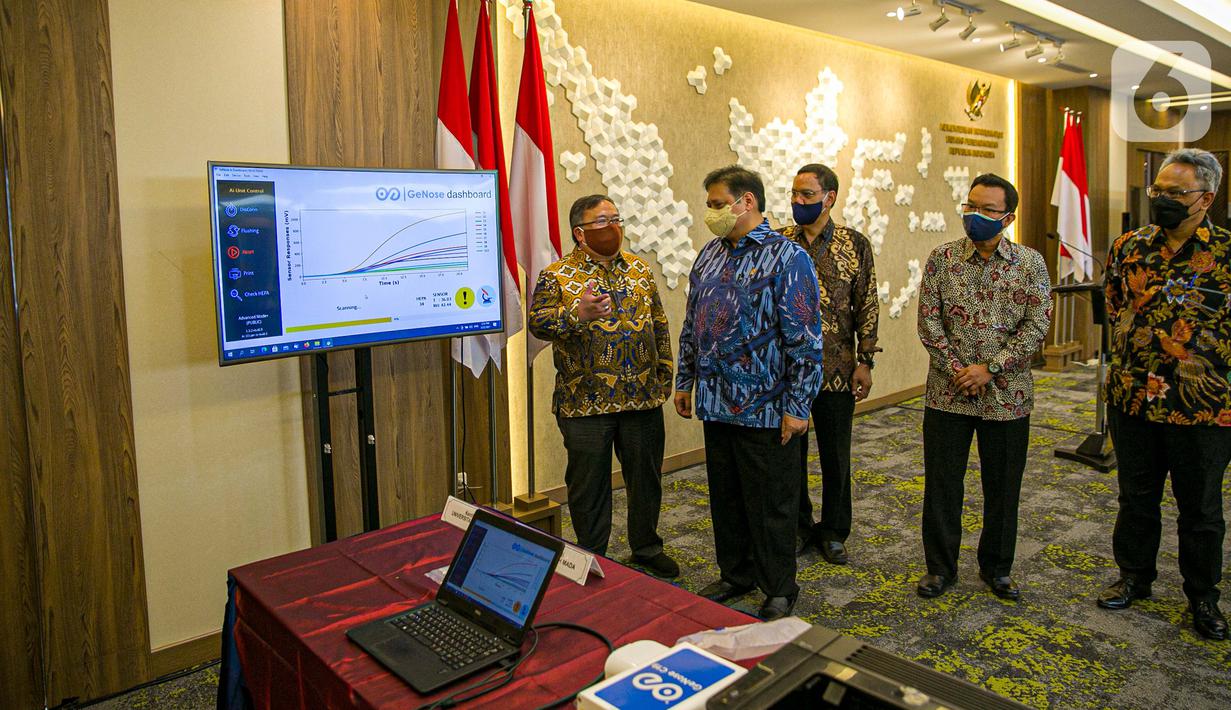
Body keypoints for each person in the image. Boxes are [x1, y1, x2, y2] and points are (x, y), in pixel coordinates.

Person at [675, 165, 824, 620]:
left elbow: (805, 338)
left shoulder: (788, 257)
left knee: (772, 504)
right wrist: (685, 379)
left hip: (767, 407)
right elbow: (692, 322)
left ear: (748, 202)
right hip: (715, 401)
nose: (711, 212)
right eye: (709, 204)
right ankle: (736, 574)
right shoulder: (709, 254)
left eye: (719, 204)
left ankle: (779, 586)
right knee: (726, 497)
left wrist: (798, 406)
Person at [1098, 148, 1231, 641]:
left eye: (1176, 193)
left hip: (1203, 408)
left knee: (1201, 509)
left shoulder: (1226, 253)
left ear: (1206, 198)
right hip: (1133, 398)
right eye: (1159, 190)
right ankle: (1135, 576)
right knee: (1136, 498)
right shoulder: (1129, 246)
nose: (1162, 199)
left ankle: (1203, 596)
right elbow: (1114, 305)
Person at [528, 194, 679, 579]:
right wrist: (576, 314)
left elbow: (659, 324)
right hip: (585, 404)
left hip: (642, 399)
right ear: (580, 233)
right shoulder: (557, 275)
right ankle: (591, 557)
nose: (613, 227)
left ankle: (646, 547)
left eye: (616, 219)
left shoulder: (640, 270)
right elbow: (538, 324)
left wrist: (664, 374)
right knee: (588, 487)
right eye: (602, 221)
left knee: (646, 480)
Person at [915, 173, 1050, 601]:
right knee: (942, 486)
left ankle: (997, 568)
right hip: (947, 393)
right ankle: (940, 568)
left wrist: (990, 369)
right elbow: (929, 322)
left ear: (1007, 218)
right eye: (970, 206)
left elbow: (1036, 325)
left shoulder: (1030, 264)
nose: (975, 215)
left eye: (987, 209)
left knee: (1003, 488)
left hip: (1007, 397)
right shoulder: (942, 259)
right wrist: (960, 370)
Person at [779, 163, 880, 564]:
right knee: (791, 455)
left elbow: (867, 304)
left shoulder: (854, 244)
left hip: (837, 368)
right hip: (787, 370)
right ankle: (799, 526)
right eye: (794, 193)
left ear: (829, 198)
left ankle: (835, 530)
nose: (797, 201)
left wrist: (865, 361)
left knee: (836, 455)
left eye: (806, 194)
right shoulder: (779, 242)